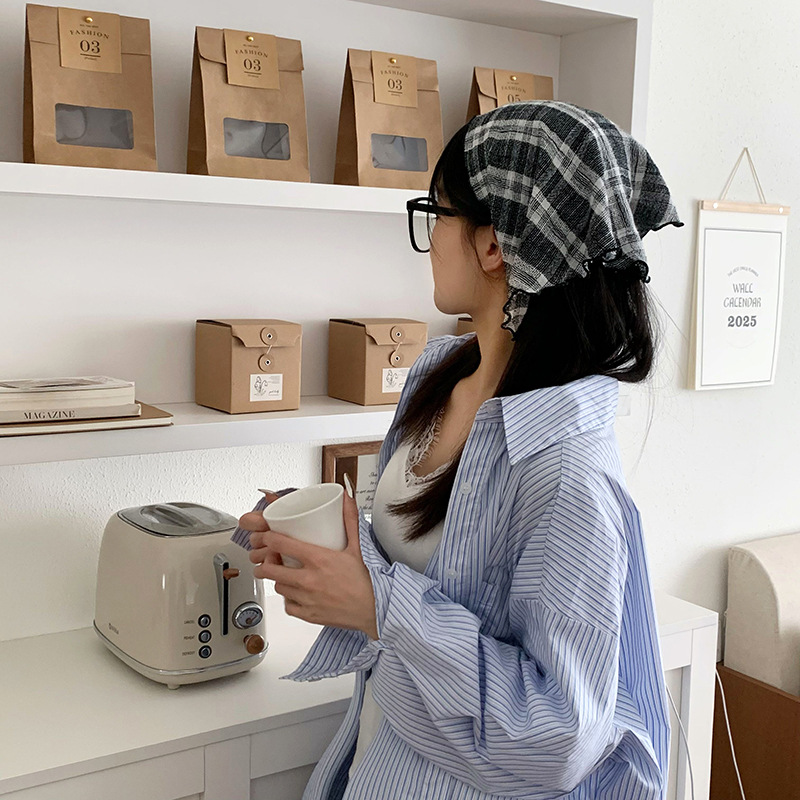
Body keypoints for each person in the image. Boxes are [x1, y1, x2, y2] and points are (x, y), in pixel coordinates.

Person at [238, 100, 684, 800]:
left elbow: (562, 736)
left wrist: (378, 606)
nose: (430, 236)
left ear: (493, 245)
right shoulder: (438, 373)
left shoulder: (567, 472)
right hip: (373, 757)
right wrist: (330, 545)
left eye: (436, 213)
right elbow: (420, 562)